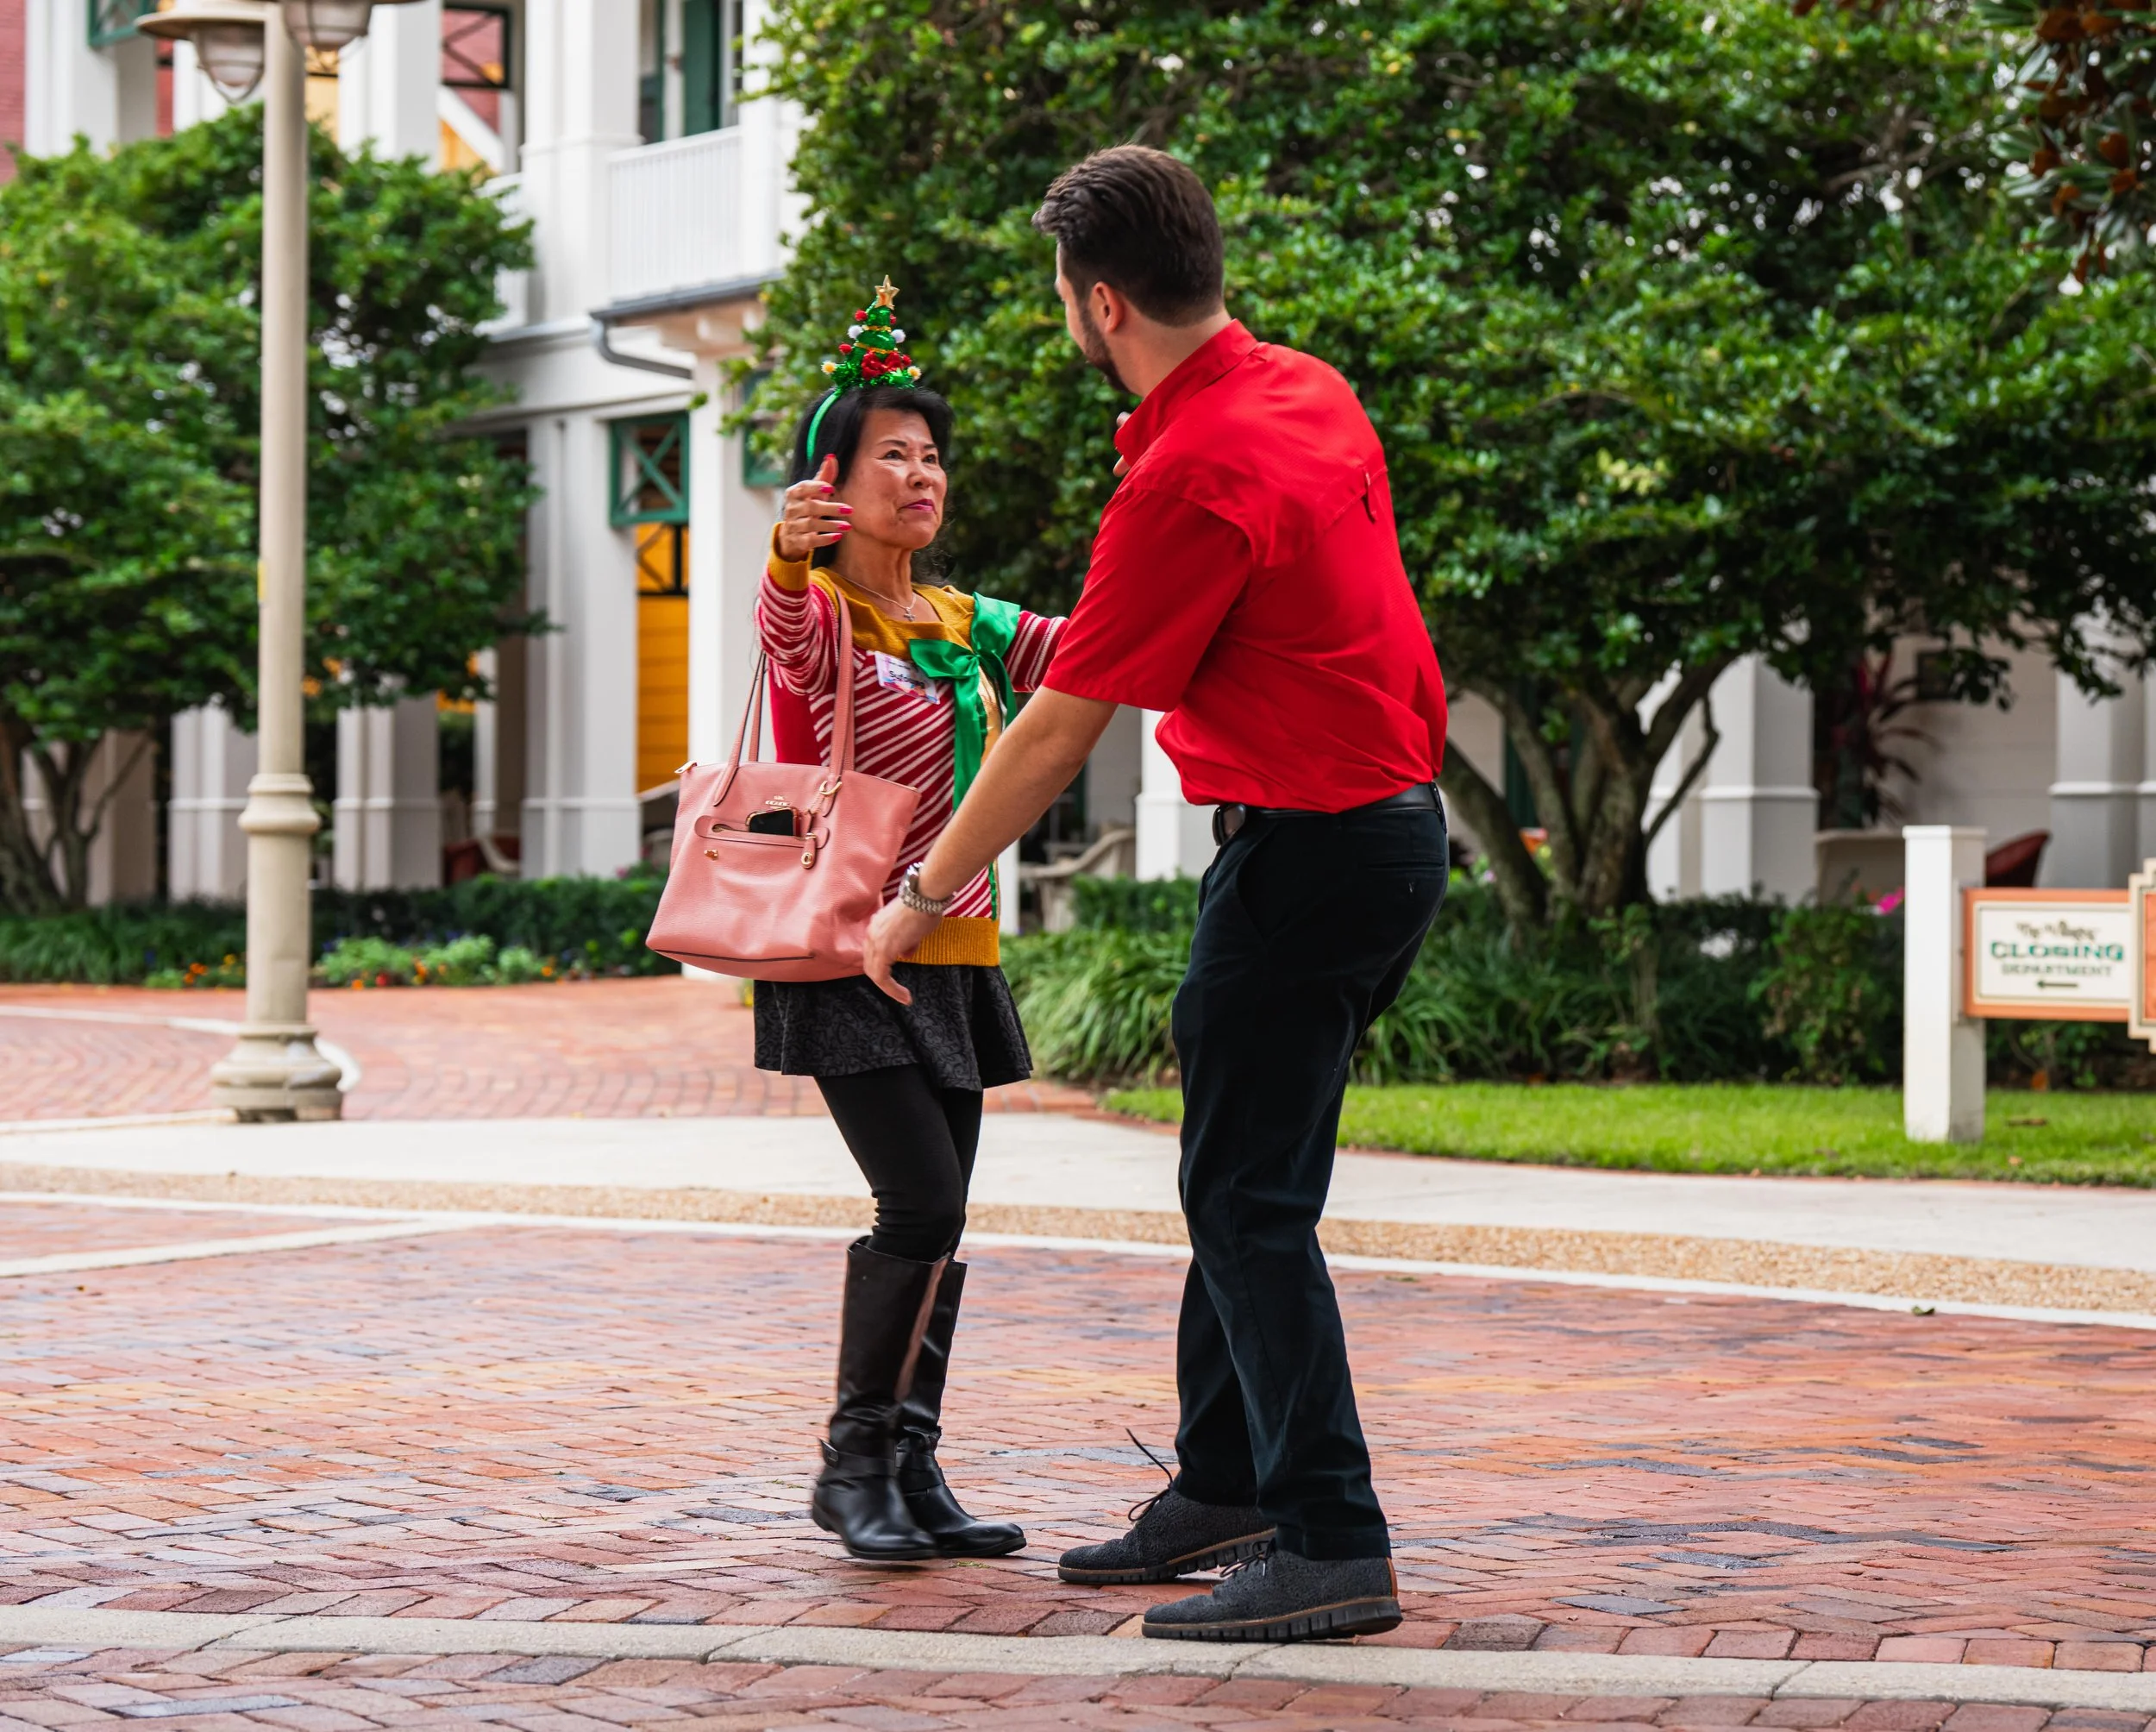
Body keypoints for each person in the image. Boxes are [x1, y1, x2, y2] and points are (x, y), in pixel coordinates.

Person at [862, 149, 1450, 1641]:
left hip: (1310, 848)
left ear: (1099, 299)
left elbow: (1063, 723)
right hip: (1381, 832)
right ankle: (1228, 1475)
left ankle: (1331, 1533)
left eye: (1065, 295)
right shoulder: (1308, 392)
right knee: (1239, 1170)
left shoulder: (1189, 471)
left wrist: (919, 895)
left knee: (1247, 1197)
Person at [755, 278, 1064, 1564]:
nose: (923, 475)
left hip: (958, 947)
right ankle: (851, 1467)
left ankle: (911, 1467)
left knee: (942, 1217)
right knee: (920, 1203)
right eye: (895, 453)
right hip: (847, 951)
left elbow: (1094, 653)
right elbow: (783, 624)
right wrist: (785, 547)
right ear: (836, 480)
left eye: (933, 456)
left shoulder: (961, 619)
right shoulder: (828, 613)